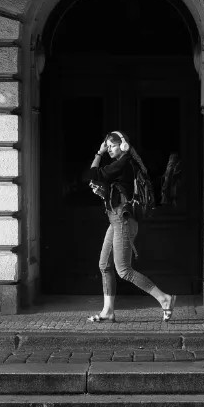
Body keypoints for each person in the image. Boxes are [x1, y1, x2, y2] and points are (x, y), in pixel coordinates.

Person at [84, 130, 173, 323]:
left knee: (124, 270)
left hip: (123, 220)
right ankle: (108, 311)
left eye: (112, 145)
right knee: (104, 265)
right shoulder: (123, 164)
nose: (109, 149)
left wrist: (98, 153)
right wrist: (104, 193)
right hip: (115, 219)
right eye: (107, 146)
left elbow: (93, 173)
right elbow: (120, 190)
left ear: (123, 145)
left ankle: (164, 298)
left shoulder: (125, 162)